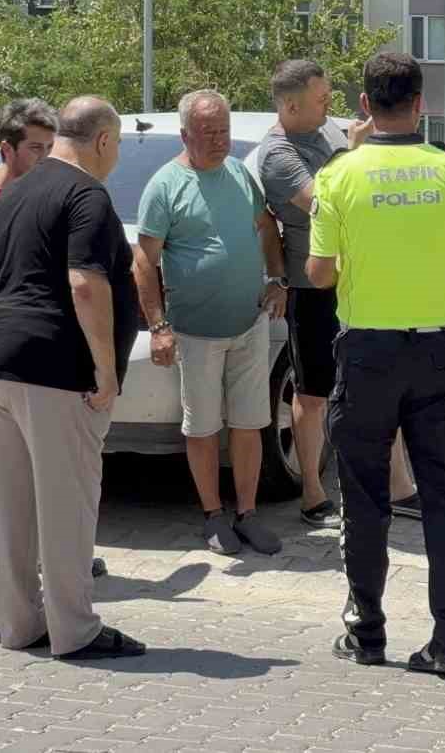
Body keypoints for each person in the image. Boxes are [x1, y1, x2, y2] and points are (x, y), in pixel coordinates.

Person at [307, 52, 445, 678]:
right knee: (443, 491)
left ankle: (366, 630)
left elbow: (318, 272)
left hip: (367, 352)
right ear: (421, 104)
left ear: (364, 105)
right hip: (438, 351)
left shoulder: (339, 176)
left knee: (364, 496)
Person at [0, 96, 145, 660]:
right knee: (67, 502)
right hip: (52, 366)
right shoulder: (86, 194)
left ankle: (18, 624)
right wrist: (107, 370)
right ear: (104, 140)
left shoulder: (13, 188)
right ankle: (74, 630)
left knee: (6, 502)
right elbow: (85, 283)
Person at [0, 98, 110, 599]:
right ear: (6, 149)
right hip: (12, 355)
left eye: (47, 144)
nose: (42, 154)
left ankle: (30, 594)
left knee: (23, 478)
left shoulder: (31, 196)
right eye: (33, 146)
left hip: (9, 356)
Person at [253, 60, 425, 528]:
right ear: (290, 105)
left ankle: (401, 488)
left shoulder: (327, 133)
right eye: (322, 98)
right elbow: (327, 203)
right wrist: (353, 155)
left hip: (360, 282)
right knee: (312, 395)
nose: (332, 105)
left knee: (378, 383)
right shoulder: (278, 154)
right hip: (313, 287)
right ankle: (312, 494)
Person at [133, 90, 288, 556]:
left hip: (249, 323)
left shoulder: (240, 174)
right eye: (209, 133)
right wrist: (158, 326)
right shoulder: (165, 185)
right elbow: (144, 260)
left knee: (249, 423)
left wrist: (278, 279)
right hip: (195, 332)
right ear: (186, 135)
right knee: (201, 427)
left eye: (223, 130)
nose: (220, 141)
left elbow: (266, 228)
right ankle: (213, 516)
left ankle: (247, 513)